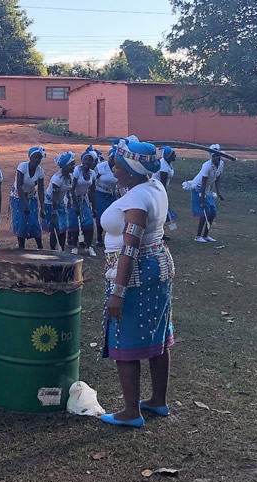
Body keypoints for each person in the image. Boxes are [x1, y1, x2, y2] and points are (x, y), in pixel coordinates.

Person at [99, 135, 175, 428]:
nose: (113, 169)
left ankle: (131, 411)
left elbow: (130, 248)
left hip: (135, 274)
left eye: (117, 164)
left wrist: (118, 292)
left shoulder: (136, 200)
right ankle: (158, 400)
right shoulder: (154, 187)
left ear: (130, 169)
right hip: (158, 267)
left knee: (125, 337)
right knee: (157, 333)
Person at [184, 144, 225, 243]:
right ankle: (198, 236)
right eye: (214, 156)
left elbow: (217, 179)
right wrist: (202, 200)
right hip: (198, 188)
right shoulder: (207, 166)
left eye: (217, 155)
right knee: (204, 213)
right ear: (211, 156)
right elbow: (203, 183)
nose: (216, 158)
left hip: (207, 188)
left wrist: (218, 193)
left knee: (212, 212)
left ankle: (206, 235)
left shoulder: (222, 164)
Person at [12, 146, 46, 249]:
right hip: (18, 196)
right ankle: (21, 247)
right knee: (21, 221)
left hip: (31, 196)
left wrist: (42, 208)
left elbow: (40, 190)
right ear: (30, 157)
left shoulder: (40, 171)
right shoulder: (22, 167)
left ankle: (40, 247)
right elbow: (19, 186)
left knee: (34, 222)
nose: (37, 160)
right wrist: (25, 204)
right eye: (35, 157)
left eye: (39, 158)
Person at [42, 151, 75, 251]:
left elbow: (69, 190)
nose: (73, 167)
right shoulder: (57, 179)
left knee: (63, 227)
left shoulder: (70, 177)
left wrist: (69, 200)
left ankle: (62, 249)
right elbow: (55, 199)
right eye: (71, 165)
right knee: (56, 228)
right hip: (51, 204)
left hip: (60, 202)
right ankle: (53, 250)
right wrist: (54, 215)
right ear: (64, 166)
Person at [68, 146, 98, 256]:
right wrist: (75, 205)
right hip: (73, 199)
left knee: (89, 223)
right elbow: (72, 188)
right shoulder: (77, 171)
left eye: (90, 160)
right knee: (75, 223)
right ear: (82, 160)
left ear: (93, 162)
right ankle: (74, 247)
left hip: (84, 199)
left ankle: (88, 247)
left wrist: (93, 206)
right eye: (85, 159)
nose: (87, 162)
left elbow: (92, 191)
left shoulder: (92, 174)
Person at [94, 147, 118, 246]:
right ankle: (99, 237)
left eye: (116, 158)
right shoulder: (101, 167)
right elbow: (93, 179)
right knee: (100, 215)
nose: (113, 160)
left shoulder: (118, 168)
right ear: (109, 157)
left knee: (112, 216)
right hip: (100, 194)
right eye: (112, 157)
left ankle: (109, 236)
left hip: (112, 195)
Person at [156, 146, 178, 240]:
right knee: (160, 213)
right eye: (173, 154)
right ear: (168, 156)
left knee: (163, 213)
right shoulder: (163, 166)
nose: (175, 156)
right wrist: (165, 196)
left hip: (161, 190)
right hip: (158, 191)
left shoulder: (167, 163)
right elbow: (163, 183)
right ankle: (158, 234)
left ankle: (161, 234)